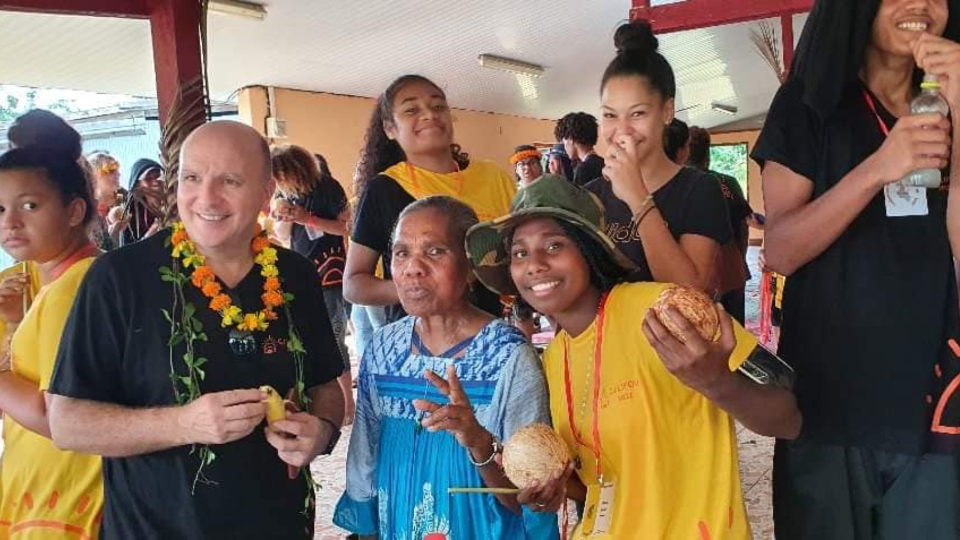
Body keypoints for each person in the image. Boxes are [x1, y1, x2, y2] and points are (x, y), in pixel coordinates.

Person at [46, 121, 346, 539]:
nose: (207, 197)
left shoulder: (295, 274)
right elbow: (67, 423)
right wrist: (183, 424)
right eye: (191, 177)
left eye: (230, 180)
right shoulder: (117, 277)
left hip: (279, 525)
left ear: (265, 193)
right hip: (156, 530)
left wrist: (323, 432)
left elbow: (326, 388)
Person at [465, 173, 801, 539]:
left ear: (588, 249)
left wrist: (719, 383)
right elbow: (598, 481)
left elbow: (790, 417)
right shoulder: (554, 357)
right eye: (519, 253)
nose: (535, 264)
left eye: (554, 245)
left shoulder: (665, 311)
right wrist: (555, 490)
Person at [752, 0, 960, 537]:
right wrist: (879, 167)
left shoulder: (950, 106)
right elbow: (781, 249)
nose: (920, 6)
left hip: (935, 404)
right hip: (831, 403)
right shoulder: (808, 104)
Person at [334, 196, 556, 539]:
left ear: (470, 268)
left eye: (435, 251)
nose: (413, 268)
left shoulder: (507, 356)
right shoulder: (382, 349)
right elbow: (365, 456)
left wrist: (478, 440)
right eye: (401, 252)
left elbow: (531, 494)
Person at [0, 113, 104, 538]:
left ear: (75, 210)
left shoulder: (74, 289)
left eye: (30, 205)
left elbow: (58, 417)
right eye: (0, 208)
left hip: (63, 495)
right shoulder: (58, 281)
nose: (10, 222)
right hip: (44, 487)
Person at [343, 74, 516, 325]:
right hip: (417, 341)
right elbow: (353, 285)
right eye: (411, 109)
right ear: (390, 129)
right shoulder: (384, 189)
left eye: (438, 106)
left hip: (486, 334)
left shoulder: (493, 178)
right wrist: (421, 288)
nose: (429, 115)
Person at [585, 20, 732, 293]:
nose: (622, 131)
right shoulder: (589, 197)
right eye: (609, 115)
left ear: (666, 111)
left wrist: (637, 198)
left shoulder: (700, 189)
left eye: (638, 113)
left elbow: (689, 292)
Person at [271, 146, 355, 425]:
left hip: (330, 271)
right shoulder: (282, 194)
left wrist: (308, 218)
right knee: (307, 339)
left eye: (281, 174)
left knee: (334, 338)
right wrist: (285, 218)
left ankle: (348, 405)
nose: (278, 181)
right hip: (298, 271)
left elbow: (346, 227)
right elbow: (283, 235)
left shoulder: (327, 187)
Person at [687, 126, 753, 323]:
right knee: (735, 331)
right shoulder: (728, 182)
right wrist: (740, 259)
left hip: (699, 273)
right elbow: (744, 226)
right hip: (731, 268)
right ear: (707, 152)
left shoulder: (679, 186)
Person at [117, 158, 164, 245]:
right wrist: (149, 236)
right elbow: (126, 253)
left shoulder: (174, 205)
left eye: (158, 176)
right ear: (138, 184)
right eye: (148, 178)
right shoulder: (131, 215)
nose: (155, 182)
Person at [554, 112, 604, 186]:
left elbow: (577, 197)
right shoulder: (604, 163)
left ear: (570, 139)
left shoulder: (583, 169)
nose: (565, 148)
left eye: (564, 143)